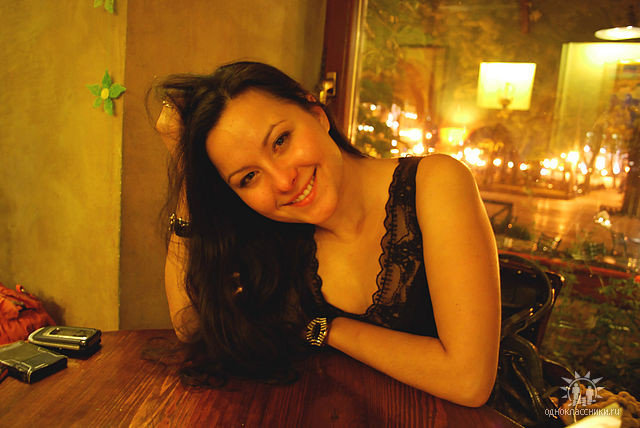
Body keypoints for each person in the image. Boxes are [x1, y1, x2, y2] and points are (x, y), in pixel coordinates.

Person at [154, 61, 500, 407]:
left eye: (281, 141)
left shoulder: (435, 183)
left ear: (317, 114)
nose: (283, 181)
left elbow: (468, 381)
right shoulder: (270, 233)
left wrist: (325, 328)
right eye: (248, 177)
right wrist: (187, 174)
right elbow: (189, 326)